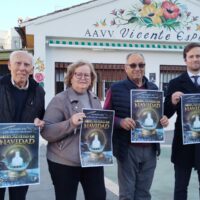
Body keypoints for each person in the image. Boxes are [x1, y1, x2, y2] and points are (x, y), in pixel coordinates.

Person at [104, 52, 169, 200]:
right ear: (125, 68)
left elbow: (159, 115)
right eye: (133, 65)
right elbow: (105, 116)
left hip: (151, 148)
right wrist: (120, 122)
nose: (137, 68)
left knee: (144, 194)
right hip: (127, 149)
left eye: (141, 65)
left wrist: (163, 120)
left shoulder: (154, 88)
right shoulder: (115, 88)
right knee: (127, 194)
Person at [41, 61, 106, 200]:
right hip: (64, 162)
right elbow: (46, 131)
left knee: (98, 196)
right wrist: (70, 123)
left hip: (92, 159)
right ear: (70, 77)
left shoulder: (95, 99)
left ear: (92, 79)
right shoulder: (59, 100)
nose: (83, 78)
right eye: (78, 74)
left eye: (87, 75)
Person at [0, 50, 45, 200]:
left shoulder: (39, 92)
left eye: (27, 64)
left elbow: (41, 116)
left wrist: (40, 122)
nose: (22, 68)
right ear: (9, 65)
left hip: (23, 155)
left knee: (19, 197)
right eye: (18, 63)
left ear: (32, 69)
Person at [164, 42, 200, 200]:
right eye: (191, 56)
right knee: (180, 188)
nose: (195, 59)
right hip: (183, 143)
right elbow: (165, 113)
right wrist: (172, 101)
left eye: (198, 56)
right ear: (185, 60)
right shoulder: (175, 83)